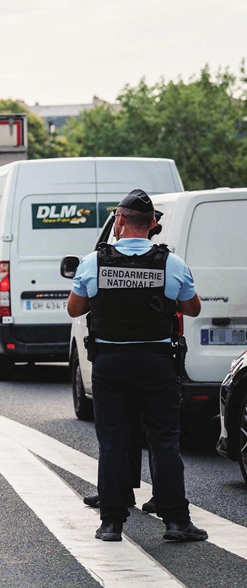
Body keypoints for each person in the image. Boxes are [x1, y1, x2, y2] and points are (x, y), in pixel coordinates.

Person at [66, 189, 206, 543]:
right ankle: (176, 521)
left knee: (112, 442)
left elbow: (74, 309)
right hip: (157, 364)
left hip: (110, 364)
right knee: (164, 441)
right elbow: (192, 309)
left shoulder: (93, 262)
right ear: (153, 223)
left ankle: (111, 522)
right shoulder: (171, 263)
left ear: (121, 220)